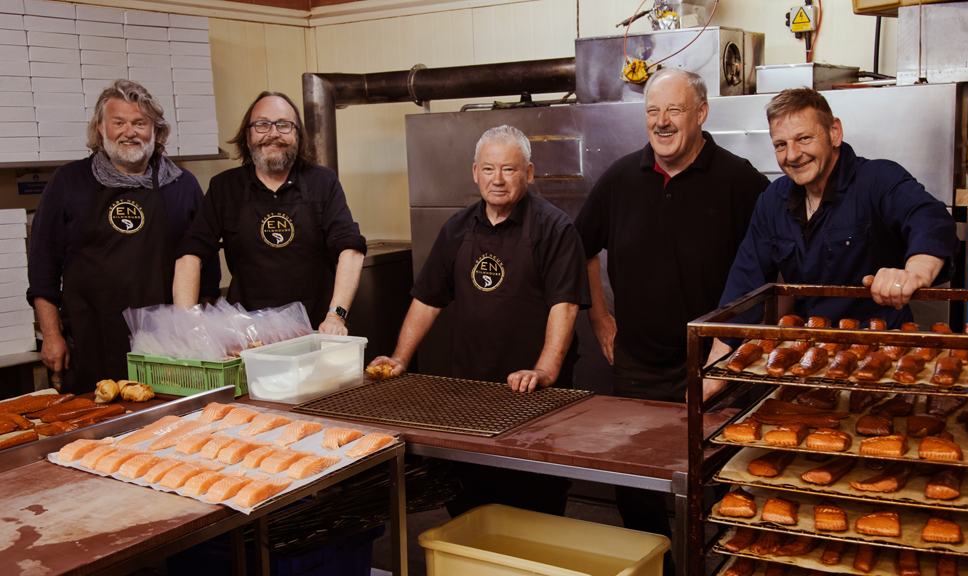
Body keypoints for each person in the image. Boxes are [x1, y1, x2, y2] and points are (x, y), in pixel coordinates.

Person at [573, 68, 769, 572]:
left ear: (701, 113)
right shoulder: (620, 179)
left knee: (722, 482)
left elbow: (771, 267)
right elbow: (580, 247)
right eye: (652, 111)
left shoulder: (740, 180)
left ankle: (721, 567)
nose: (661, 122)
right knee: (635, 487)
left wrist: (739, 351)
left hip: (713, 366)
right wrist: (601, 319)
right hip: (637, 363)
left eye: (674, 110)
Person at [368, 124, 590, 516]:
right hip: (469, 392)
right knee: (469, 498)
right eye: (488, 169)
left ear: (529, 173)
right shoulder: (456, 229)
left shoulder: (555, 229)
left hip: (534, 395)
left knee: (535, 501)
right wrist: (401, 357)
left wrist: (545, 369)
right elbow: (427, 299)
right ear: (475, 173)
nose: (497, 179)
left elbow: (565, 305)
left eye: (509, 169)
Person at [709, 87, 959, 366]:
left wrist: (915, 272)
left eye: (804, 138)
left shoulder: (878, 179)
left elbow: (930, 218)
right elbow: (745, 284)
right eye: (780, 144)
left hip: (882, 353)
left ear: (834, 132)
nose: (792, 155)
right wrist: (712, 368)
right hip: (806, 354)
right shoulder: (772, 200)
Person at [27, 79, 220, 394]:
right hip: (91, 338)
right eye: (118, 122)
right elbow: (42, 267)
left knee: (167, 417)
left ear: (155, 130)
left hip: (168, 346)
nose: (129, 132)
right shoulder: (68, 181)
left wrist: (199, 332)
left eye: (140, 123)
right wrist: (51, 335)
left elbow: (207, 267)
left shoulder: (182, 184)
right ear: (101, 128)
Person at [173, 92, 365, 334]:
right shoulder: (225, 187)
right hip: (247, 336)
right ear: (248, 135)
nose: (273, 133)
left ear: (297, 135)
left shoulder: (323, 182)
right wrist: (187, 326)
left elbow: (350, 249)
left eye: (284, 125)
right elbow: (190, 255)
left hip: (316, 330)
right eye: (262, 124)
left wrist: (336, 316)